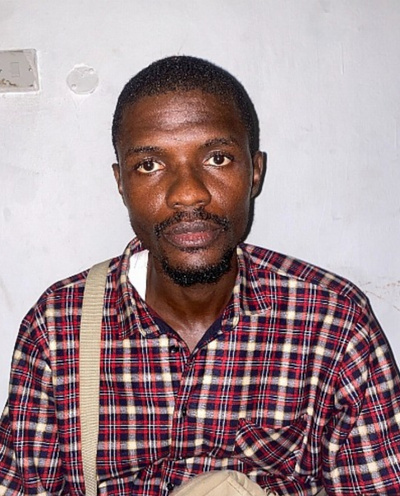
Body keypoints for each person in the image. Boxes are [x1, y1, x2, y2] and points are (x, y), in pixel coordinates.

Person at [0, 55, 400, 496]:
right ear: (121, 183)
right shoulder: (58, 326)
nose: (188, 193)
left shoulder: (333, 322)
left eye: (217, 158)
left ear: (255, 172)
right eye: (149, 165)